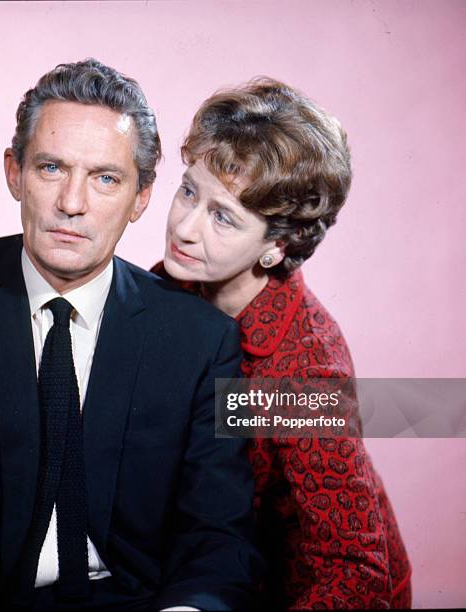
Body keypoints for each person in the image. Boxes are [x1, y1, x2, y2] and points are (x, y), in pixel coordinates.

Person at [0, 59, 262, 612]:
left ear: (141, 198)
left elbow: (218, 530)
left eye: (105, 178)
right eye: (51, 168)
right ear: (14, 172)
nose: (72, 204)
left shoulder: (202, 339)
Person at [154, 78, 411, 609]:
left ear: (275, 246)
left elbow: (356, 570)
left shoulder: (304, 368)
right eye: (188, 191)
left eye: (222, 216)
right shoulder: (173, 283)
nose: (184, 226)